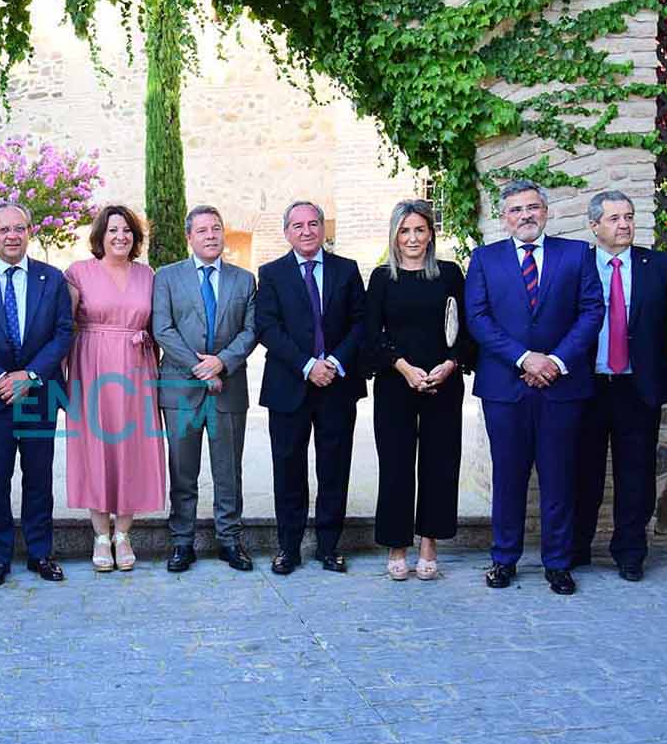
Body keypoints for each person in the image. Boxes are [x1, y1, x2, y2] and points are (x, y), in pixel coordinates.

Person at [465, 180, 603, 595]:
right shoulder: (485, 259)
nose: (525, 215)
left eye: (532, 207)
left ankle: (557, 563)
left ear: (546, 211)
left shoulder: (576, 254)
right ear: (504, 217)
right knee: (508, 477)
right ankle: (504, 558)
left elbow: (591, 311)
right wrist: (525, 358)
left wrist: (555, 362)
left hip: (562, 385)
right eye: (516, 209)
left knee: (559, 477)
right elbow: (478, 318)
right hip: (505, 387)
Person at [0, 202, 74, 587]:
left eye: (19, 228)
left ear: (29, 232)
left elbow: (63, 333)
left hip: (38, 395)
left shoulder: (51, 279)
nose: (12, 236)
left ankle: (40, 553)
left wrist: (30, 375)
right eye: (3, 229)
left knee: (38, 478)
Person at [255, 200, 367, 576]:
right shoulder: (271, 273)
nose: (306, 231)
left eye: (313, 223)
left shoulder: (346, 269)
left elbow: (361, 322)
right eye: (298, 225)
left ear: (323, 227)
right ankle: (288, 548)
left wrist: (333, 362)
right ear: (286, 232)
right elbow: (267, 327)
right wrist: (307, 366)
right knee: (288, 469)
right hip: (289, 385)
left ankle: (329, 547)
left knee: (334, 468)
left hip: (337, 385)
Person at [366, 199, 473, 581]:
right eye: (405, 231)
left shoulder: (450, 274)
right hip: (396, 384)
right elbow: (371, 333)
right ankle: (397, 545)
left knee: (439, 464)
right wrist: (403, 367)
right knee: (395, 465)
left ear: (430, 234)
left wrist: (451, 364)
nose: (412, 238)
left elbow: (466, 328)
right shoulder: (382, 278)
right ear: (395, 235)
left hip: (443, 383)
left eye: (419, 230)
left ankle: (429, 543)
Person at [571, 191, 667, 581]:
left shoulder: (660, 266)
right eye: (614, 218)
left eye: (629, 216)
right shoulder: (576, 265)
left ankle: (630, 552)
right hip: (587, 384)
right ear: (594, 225)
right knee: (583, 471)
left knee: (636, 474)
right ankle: (576, 547)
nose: (624, 224)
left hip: (637, 386)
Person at [152, 205, 258, 573]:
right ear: (189, 237)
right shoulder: (166, 277)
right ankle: (182, 542)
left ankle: (230, 540)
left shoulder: (244, 280)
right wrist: (201, 368)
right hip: (181, 389)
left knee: (228, 470)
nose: (211, 235)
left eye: (216, 228)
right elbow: (162, 329)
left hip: (228, 387)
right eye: (202, 230)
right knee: (182, 469)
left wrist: (222, 363)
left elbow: (251, 330)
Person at [65, 205, 166, 572]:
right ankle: (100, 535)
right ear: (100, 236)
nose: (120, 236)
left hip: (137, 368)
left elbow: (158, 325)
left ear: (135, 237)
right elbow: (64, 325)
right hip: (91, 367)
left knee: (132, 447)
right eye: (112, 230)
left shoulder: (147, 275)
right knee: (95, 447)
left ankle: (123, 534)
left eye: (127, 231)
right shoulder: (78, 273)